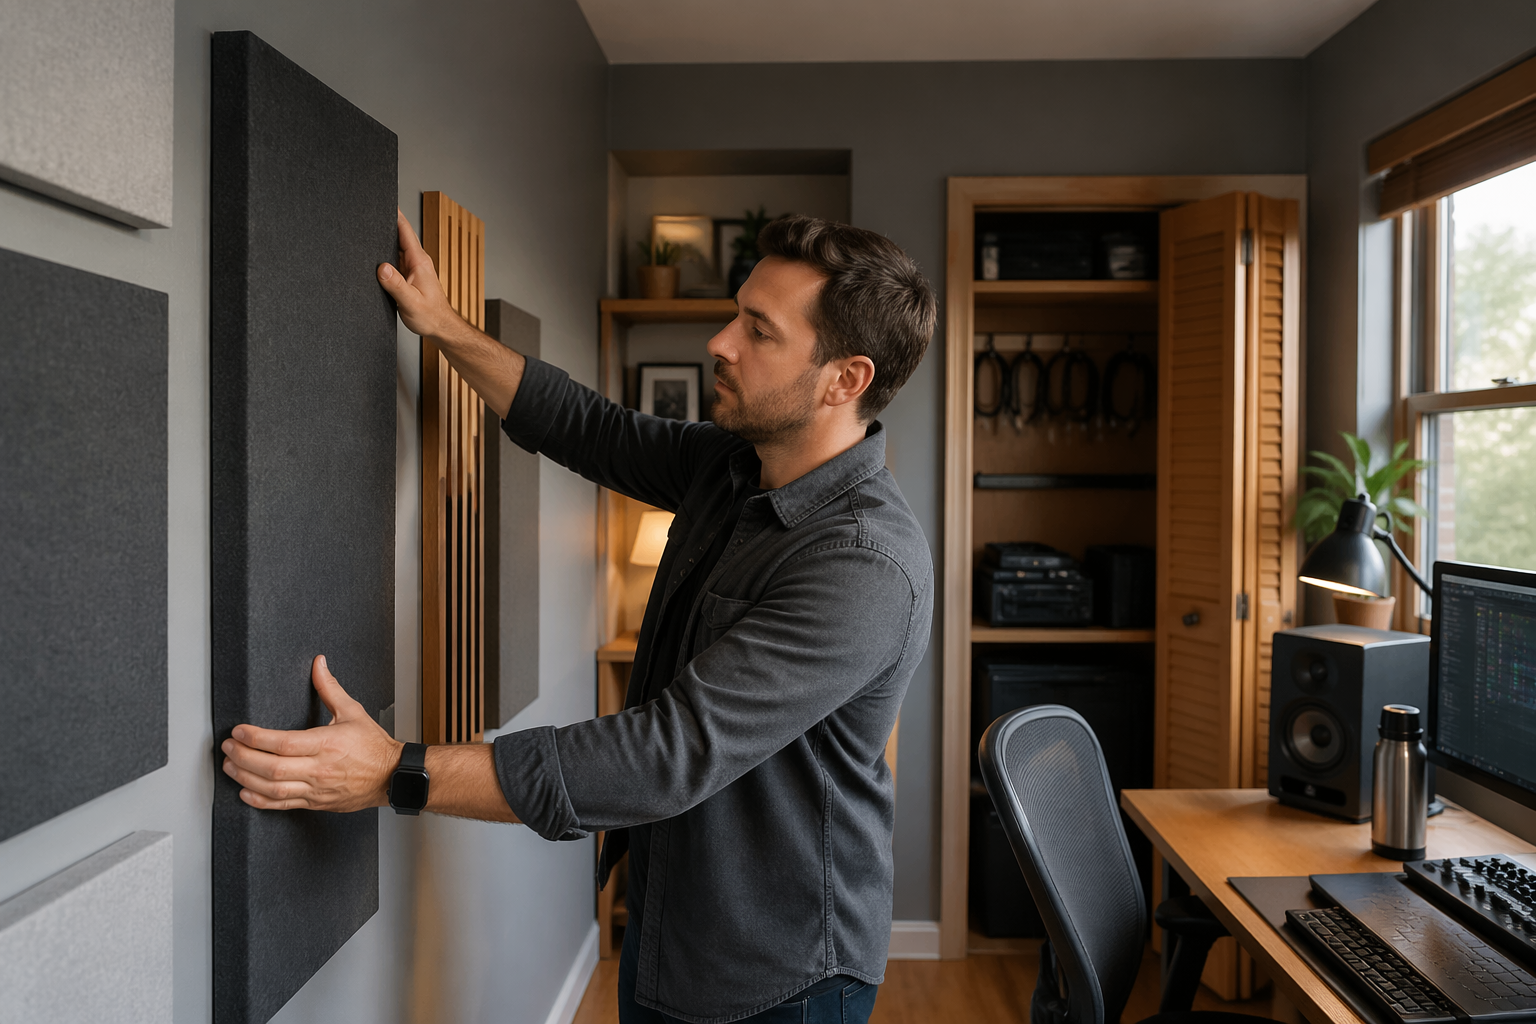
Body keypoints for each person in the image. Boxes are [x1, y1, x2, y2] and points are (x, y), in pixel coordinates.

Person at [219, 211, 936, 1024]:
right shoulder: (732, 466)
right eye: (736, 312)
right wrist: (440, 324)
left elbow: (662, 757)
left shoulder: (863, 565)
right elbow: (589, 427)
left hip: (782, 975)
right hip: (674, 930)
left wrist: (394, 772)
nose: (721, 342)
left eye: (758, 331)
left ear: (846, 378)